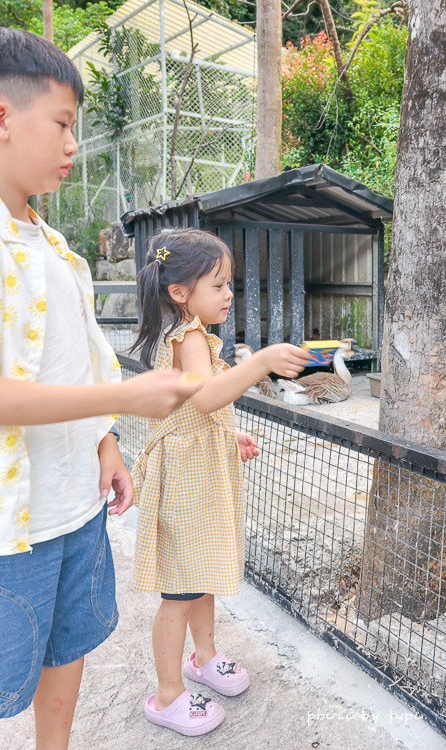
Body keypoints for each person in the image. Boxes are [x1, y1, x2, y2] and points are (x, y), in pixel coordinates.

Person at [0, 26, 202, 750]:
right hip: (0, 530)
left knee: (66, 669)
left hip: (73, 510)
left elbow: (74, 364)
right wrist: (122, 402)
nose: (73, 144)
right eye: (62, 124)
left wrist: (104, 444)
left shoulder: (57, 250)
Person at [129, 228, 310, 736]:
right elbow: (207, 397)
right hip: (185, 482)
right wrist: (260, 362)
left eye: (229, 283)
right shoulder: (186, 336)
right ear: (180, 292)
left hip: (199, 471)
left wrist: (228, 439)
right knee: (181, 589)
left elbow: (195, 411)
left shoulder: (195, 335)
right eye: (219, 284)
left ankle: (203, 656)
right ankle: (167, 694)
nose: (229, 294)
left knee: (201, 575)